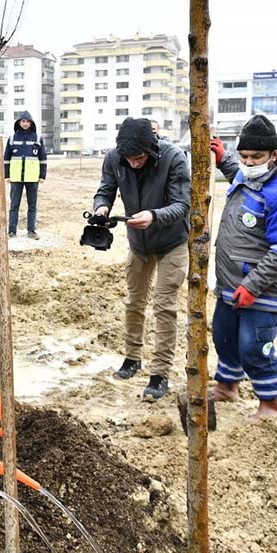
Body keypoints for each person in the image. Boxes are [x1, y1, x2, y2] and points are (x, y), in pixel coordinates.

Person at [210, 115, 277, 419]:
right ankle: (227, 386)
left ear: (274, 156)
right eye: (244, 156)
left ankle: (270, 404)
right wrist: (224, 160)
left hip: (263, 286)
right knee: (224, 336)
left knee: (254, 345)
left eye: (257, 157)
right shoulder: (249, 173)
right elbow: (240, 176)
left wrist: (252, 286)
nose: (249, 162)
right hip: (231, 281)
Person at [92, 117, 190, 400]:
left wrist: (155, 216)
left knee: (164, 306)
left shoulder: (173, 158)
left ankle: (160, 373)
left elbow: (183, 204)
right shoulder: (115, 158)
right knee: (134, 301)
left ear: (151, 149)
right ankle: (133, 357)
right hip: (138, 242)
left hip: (172, 241)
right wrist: (101, 208)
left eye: (139, 158)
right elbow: (106, 189)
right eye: (129, 158)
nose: (133, 163)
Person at [4, 111, 48, 239]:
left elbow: (43, 158)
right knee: (14, 205)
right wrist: (6, 175)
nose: (25, 123)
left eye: (27, 121)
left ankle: (31, 231)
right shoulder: (12, 138)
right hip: (16, 178)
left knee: (32, 205)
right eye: (23, 121)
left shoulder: (37, 138)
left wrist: (42, 175)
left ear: (31, 123)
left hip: (32, 178)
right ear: (19, 123)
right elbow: (6, 158)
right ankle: (11, 231)